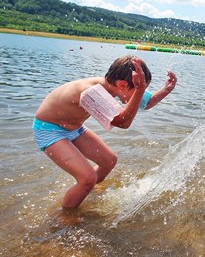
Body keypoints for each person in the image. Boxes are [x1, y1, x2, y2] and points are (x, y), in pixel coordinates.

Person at [33, 55, 177, 209]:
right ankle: (64, 216)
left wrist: (166, 90)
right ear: (122, 85)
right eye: (138, 89)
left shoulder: (116, 87)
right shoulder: (89, 92)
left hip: (74, 128)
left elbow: (145, 103)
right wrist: (139, 89)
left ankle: (86, 190)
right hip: (49, 130)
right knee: (87, 178)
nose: (140, 94)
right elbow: (123, 123)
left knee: (108, 162)